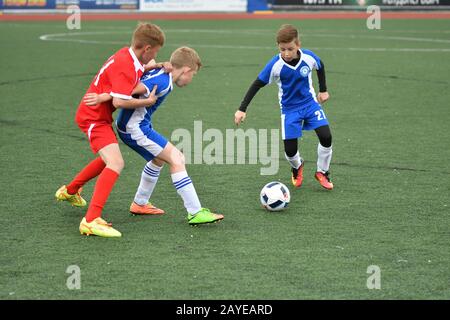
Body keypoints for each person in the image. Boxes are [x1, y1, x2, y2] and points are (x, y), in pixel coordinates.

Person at [85, 47, 224, 226]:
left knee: (158, 159)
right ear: (186, 70)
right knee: (176, 158)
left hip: (136, 126)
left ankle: (140, 203)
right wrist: (103, 97)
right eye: (193, 74)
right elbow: (128, 91)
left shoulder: (163, 73)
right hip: (134, 129)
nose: (191, 79)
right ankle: (195, 212)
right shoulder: (162, 80)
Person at [55, 22, 171, 237]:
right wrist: (148, 101)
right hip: (93, 118)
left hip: (98, 116)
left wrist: (156, 65)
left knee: (107, 158)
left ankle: (70, 191)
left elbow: (134, 73)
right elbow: (118, 102)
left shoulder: (126, 56)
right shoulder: (127, 64)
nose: (155, 55)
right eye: (155, 52)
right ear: (146, 49)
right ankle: (91, 220)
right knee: (116, 162)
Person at [234, 24, 334, 190]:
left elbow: (320, 65)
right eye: (282, 49)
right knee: (290, 151)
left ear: (298, 45)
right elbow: (257, 84)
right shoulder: (275, 65)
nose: (286, 53)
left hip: (310, 105)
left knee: (326, 137)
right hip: (289, 111)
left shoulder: (308, 57)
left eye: (290, 49)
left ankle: (322, 171)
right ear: (278, 47)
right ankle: (297, 166)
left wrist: (323, 90)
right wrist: (242, 108)